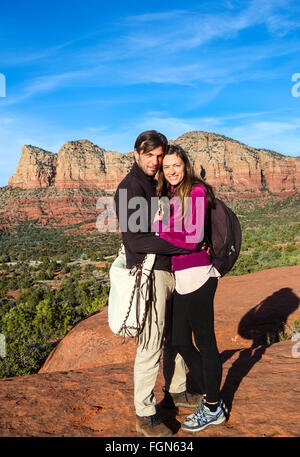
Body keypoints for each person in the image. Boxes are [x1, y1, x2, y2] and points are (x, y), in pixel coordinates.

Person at [114, 131, 202, 437]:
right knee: (151, 344)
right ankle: (145, 413)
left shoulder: (156, 185)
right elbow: (137, 241)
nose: (155, 161)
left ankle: (177, 391)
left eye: (159, 155)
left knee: (175, 336)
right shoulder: (130, 188)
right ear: (136, 153)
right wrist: (186, 246)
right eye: (149, 155)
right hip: (150, 274)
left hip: (169, 271)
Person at [152, 144, 228, 433]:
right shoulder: (171, 194)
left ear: (185, 165)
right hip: (182, 276)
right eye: (166, 166)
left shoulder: (195, 191)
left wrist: (161, 230)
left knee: (206, 341)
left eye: (176, 165)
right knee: (182, 341)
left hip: (199, 274)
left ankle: (213, 407)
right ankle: (212, 394)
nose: (171, 171)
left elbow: (194, 238)